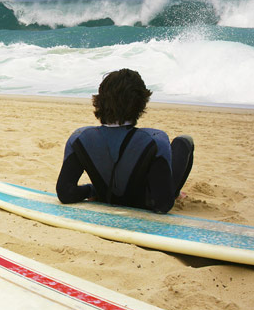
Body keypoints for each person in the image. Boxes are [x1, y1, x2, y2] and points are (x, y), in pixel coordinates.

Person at [56, 68, 194, 213]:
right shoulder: (155, 140)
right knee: (184, 142)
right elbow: (163, 204)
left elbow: (65, 193)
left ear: (100, 100)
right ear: (141, 103)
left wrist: (93, 190)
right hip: (146, 203)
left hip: (105, 197)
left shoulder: (79, 137)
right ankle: (176, 193)